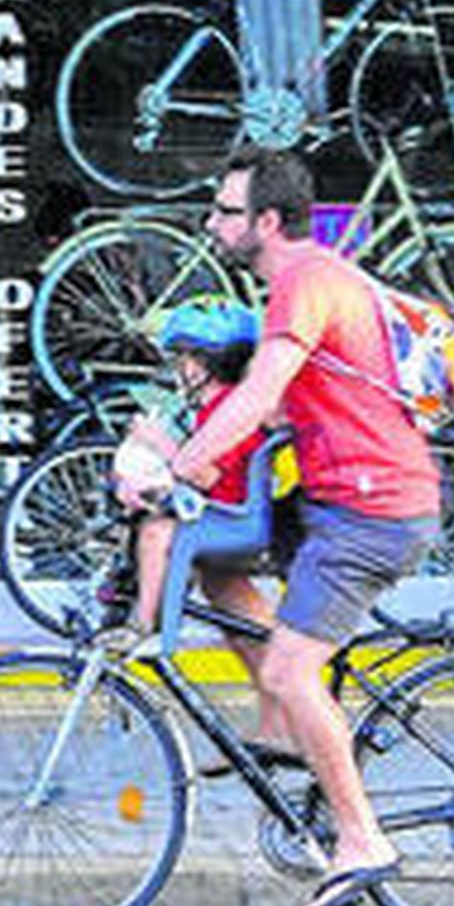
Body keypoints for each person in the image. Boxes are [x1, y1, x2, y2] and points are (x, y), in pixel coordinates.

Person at [167, 147, 441, 906]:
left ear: (268, 221)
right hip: (335, 495)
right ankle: (284, 723)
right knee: (219, 565)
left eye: (225, 209)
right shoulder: (317, 279)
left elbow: (262, 391)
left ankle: (361, 838)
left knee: (292, 664)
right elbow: (285, 410)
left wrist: (185, 465)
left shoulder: (304, 281)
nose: (213, 222)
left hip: (370, 509)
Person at [110, 297, 301, 767]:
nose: (179, 369)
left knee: (157, 533)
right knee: (229, 604)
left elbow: (208, 476)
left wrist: (159, 445)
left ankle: (144, 625)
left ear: (209, 362)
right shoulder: (217, 405)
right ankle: (279, 726)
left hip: (234, 518)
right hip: (223, 514)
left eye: (184, 358)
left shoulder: (229, 409)